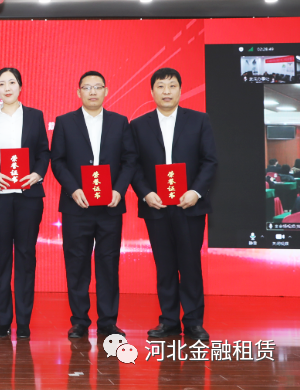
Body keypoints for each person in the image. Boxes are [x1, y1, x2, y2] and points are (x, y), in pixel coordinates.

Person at [130, 68, 218, 341]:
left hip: (189, 205)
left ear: (180, 89)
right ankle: (168, 320)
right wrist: (145, 193)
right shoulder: (138, 125)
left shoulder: (199, 120)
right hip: (156, 206)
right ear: (152, 91)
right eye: (160, 86)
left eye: (172, 86)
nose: (166, 91)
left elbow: (210, 161)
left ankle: (193, 322)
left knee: (190, 263)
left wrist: (196, 191)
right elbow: (132, 164)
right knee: (165, 265)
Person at [50, 71, 137, 339]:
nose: (92, 92)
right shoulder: (65, 122)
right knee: (76, 263)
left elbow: (129, 160)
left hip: (110, 205)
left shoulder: (120, 122)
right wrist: (73, 189)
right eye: (87, 87)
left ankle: (108, 321)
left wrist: (119, 190)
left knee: (108, 263)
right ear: (78, 92)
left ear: (106, 91)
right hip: (77, 205)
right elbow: (57, 161)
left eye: (98, 87)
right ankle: (79, 321)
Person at [0, 68, 50, 339]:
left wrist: (37, 174)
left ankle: (24, 321)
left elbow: (44, 152)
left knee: (26, 257)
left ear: (20, 86)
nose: (7, 88)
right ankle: (4, 320)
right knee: (1, 258)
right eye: (1, 83)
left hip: (28, 197)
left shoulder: (34, 116)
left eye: (12, 82)